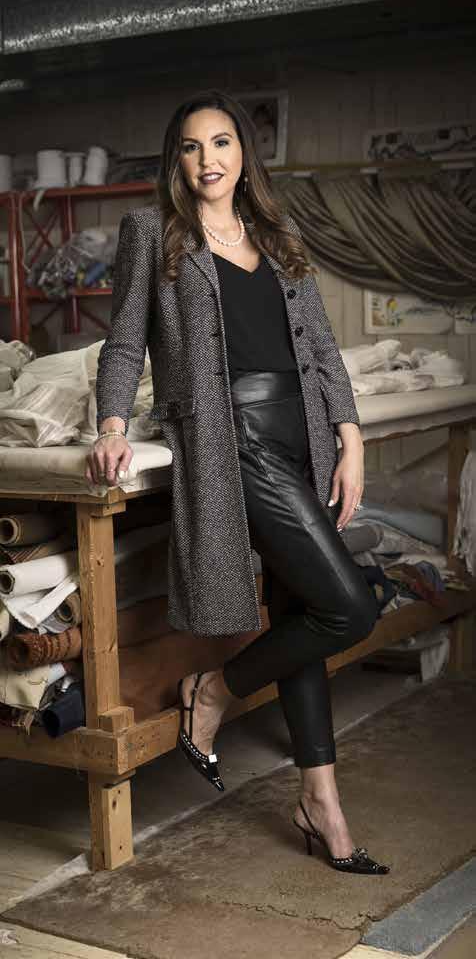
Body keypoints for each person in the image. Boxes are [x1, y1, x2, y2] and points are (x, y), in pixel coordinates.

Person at [86, 89, 389, 876]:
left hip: (305, 434)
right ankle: (214, 691)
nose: (208, 159)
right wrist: (112, 425)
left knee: (305, 608)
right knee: (351, 605)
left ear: (244, 152)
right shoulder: (153, 231)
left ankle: (321, 803)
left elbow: (321, 349)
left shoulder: (277, 234)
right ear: (177, 160)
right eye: (192, 146)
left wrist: (351, 440)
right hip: (234, 439)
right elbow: (124, 342)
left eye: (221, 142)